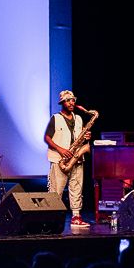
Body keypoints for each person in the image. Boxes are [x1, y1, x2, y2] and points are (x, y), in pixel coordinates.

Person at [45, 90, 90, 227]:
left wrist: (86, 137)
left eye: (73, 100)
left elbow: (80, 138)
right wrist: (61, 149)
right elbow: (47, 137)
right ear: (62, 103)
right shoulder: (55, 118)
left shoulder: (79, 118)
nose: (71, 103)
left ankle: (76, 217)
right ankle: (52, 218)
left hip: (76, 159)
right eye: (68, 100)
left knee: (77, 189)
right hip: (60, 159)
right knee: (56, 190)